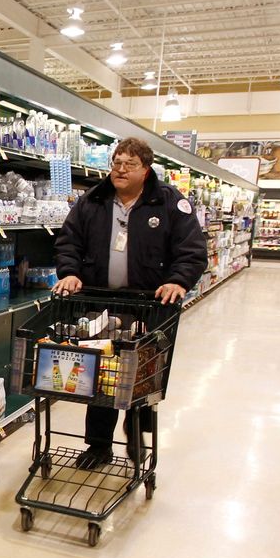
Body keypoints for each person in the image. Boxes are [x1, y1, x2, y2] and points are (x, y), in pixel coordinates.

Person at [52, 138, 208, 470]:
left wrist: (178, 280)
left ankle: (136, 433)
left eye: (129, 164)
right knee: (99, 375)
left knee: (143, 374)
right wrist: (69, 273)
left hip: (148, 305)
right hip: (99, 303)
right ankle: (98, 446)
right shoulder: (92, 201)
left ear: (146, 169)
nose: (120, 170)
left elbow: (192, 250)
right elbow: (69, 241)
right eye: (117, 162)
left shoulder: (169, 203)